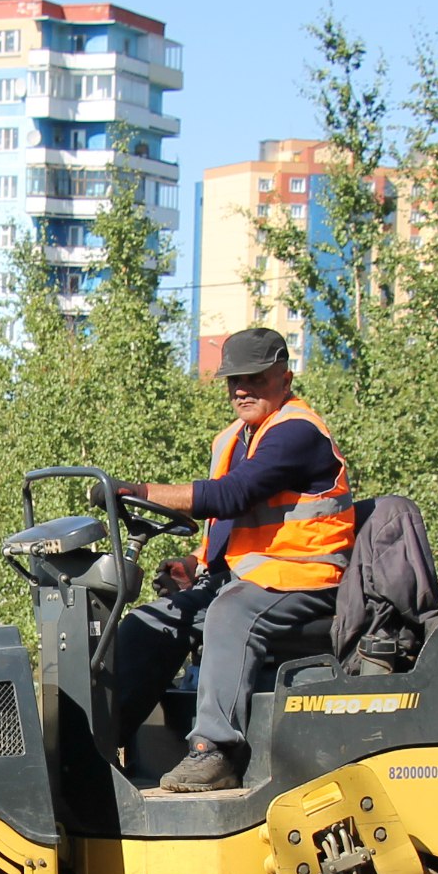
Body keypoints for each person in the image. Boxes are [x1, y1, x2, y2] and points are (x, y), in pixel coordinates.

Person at [111, 326, 356, 792]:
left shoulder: (298, 432)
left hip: (306, 580)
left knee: (231, 612)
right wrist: (196, 563)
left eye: (256, 378)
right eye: (233, 380)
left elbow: (233, 494)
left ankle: (214, 752)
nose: (242, 389)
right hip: (251, 577)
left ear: (284, 378)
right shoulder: (236, 438)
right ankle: (95, 747)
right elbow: (233, 521)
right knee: (154, 622)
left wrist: (142, 491)